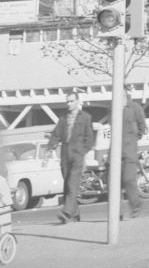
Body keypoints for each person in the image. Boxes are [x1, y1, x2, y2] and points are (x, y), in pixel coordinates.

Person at [47, 91, 94, 224]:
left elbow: (90, 138)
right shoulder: (63, 119)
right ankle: (75, 215)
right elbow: (56, 135)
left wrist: (82, 151)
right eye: (67, 101)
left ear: (78, 101)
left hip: (77, 154)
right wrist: (50, 147)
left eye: (72, 101)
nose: (69, 104)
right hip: (65, 153)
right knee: (67, 185)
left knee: (72, 184)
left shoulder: (85, 117)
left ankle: (66, 212)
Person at [121, 85, 147, 219]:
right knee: (113, 182)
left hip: (129, 150)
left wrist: (134, 140)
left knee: (128, 179)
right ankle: (116, 213)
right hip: (116, 151)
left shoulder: (135, 108)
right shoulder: (112, 108)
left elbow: (142, 125)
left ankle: (136, 206)